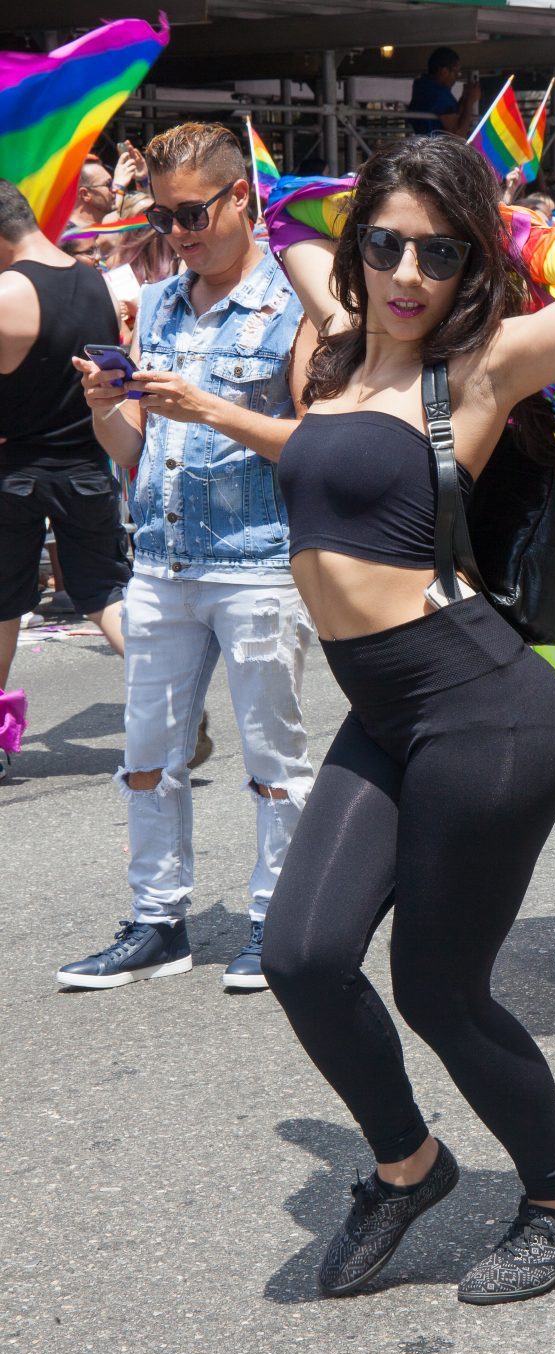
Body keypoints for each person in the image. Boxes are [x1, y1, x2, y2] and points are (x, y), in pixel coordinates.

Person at [258, 135, 555, 1303]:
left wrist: (529, 233)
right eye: (387, 245)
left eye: (440, 250)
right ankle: (407, 1167)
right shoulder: (325, 365)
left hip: (485, 714)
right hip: (382, 709)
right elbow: (278, 225)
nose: (409, 273)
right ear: (356, 249)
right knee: (304, 956)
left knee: (437, 987)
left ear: (469, 263)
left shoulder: (480, 366)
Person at [56, 122, 314, 993]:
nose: (179, 231)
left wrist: (210, 410)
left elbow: (314, 447)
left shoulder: (294, 304)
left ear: (240, 197)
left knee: (273, 762)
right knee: (146, 753)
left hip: (258, 563)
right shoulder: (161, 301)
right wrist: (104, 404)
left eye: (194, 211)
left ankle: (277, 924)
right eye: (165, 217)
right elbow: (133, 451)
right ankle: (157, 921)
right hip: (162, 563)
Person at [0, 181, 129, 720]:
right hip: (86, 462)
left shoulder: (9, 290)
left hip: (16, 471)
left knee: (2, 602)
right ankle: (173, 701)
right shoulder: (94, 279)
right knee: (104, 591)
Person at [408, 48, 480, 139]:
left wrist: (464, 100)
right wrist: (470, 101)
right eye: (456, 73)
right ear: (444, 71)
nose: (456, 78)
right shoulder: (438, 95)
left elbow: (452, 115)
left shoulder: (422, 87)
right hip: (439, 147)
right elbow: (459, 135)